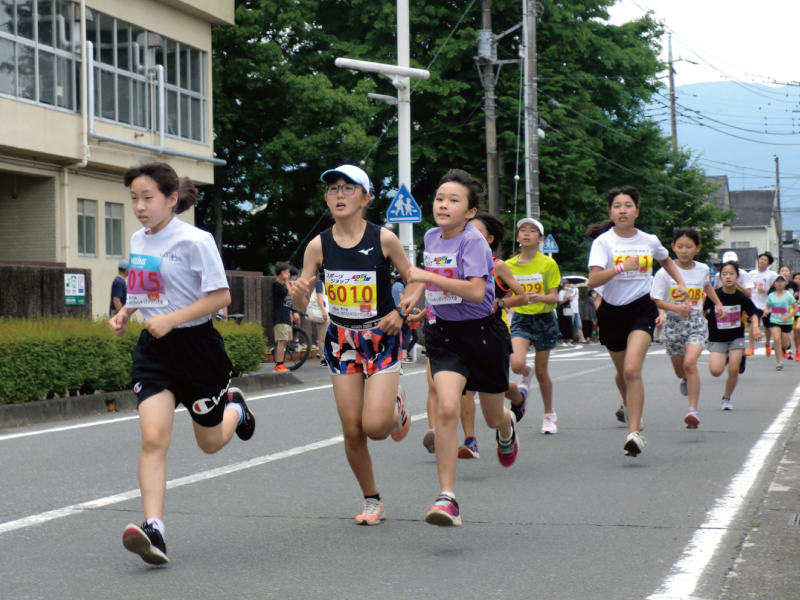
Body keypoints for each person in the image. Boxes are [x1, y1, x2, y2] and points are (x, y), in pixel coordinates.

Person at [109, 162, 255, 565]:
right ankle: (154, 528)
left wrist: (173, 319)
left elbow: (221, 297)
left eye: (147, 197)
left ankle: (236, 409)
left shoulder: (196, 240)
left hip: (197, 349)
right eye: (134, 198)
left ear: (172, 200)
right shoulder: (139, 239)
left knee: (209, 444)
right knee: (153, 437)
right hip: (155, 353)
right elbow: (145, 290)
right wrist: (126, 314)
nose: (139, 206)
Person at [290, 164, 416, 526]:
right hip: (341, 339)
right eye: (332, 189)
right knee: (352, 429)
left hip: (381, 337)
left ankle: (395, 405)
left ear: (366, 198)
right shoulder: (318, 245)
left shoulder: (383, 239)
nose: (339, 194)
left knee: (376, 427)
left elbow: (415, 279)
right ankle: (372, 500)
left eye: (348, 188)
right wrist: (299, 296)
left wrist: (403, 313)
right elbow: (302, 304)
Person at [403, 169, 517, 527]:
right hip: (445, 335)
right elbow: (431, 281)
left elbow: (474, 291)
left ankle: (506, 427)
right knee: (448, 407)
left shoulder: (473, 241)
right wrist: (415, 301)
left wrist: (426, 278)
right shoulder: (432, 237)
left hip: (483, 335)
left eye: (454, 200)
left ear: (469, 212)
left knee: (492, 415)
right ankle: (447, 497)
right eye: (439, 198)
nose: (443, 205)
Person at [587, 185, 688, 457]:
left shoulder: (648, 240)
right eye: (617, 205)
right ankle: (628, 404)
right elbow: (593, 280)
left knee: (632, 370)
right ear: (611, 211)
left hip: (642, 308)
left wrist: (679, 282)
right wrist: (621, 267)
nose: (623, 210)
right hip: (611, 311)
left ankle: (634, 434)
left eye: (628, 205)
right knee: (622, 374)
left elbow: (666, 260)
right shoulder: (604, 243)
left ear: (637, 211)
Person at [651, 227, 725, 429]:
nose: (684, 251)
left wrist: (717, 303)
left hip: (695, 323)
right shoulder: (664, 273)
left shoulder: (702, 269)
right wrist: (674, 307)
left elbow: (707, 285)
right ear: (673, 247)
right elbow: (655, 300)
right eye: (680, 246)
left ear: (697, 248)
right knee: (680, 370)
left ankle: (693, 410)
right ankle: (684, 378)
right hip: (673, 324)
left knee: (691, 363)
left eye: (689, 247)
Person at [505, 217, 563, 434]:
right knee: (516, 364)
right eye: (522, 230)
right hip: (521, 319)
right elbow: (507, 297)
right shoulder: (508, 266)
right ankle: (525, 372)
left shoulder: (548, 263)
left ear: (540, 239)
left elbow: (554, 298)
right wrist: (511, 303)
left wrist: (540, 297)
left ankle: (549, 415)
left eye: (532, 230)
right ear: (518, 237)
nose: (526, 233)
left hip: (544, 320)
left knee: (542, 371)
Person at [705, 261, 761, 410]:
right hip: (717, 338)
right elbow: (702, 311)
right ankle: (729, 357)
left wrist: (755, 327)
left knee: (733, 369)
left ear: (737, 277)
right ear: (720, 277)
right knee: (716, 371)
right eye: (724, 274)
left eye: (731, 274)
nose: (728, 277)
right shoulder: (714, 295)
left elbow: (753, 313)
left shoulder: (741, 297)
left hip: (736, 337)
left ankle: (726, 398)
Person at [747, 251, 777, 357]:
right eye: (761, 259)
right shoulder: (751, 274)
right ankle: (751, 348)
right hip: (754, 303)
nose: (762, 261)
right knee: (753, 325)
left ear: (769, 264)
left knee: (767, 327)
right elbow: (748, 287)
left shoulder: (772, 275)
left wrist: (765, 291)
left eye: (765, 260)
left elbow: (777, 288)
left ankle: (767, 343)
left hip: (767, 305)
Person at [764, 274, 797, 369]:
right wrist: (766, 310)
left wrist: (788, 316)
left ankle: (787, 344)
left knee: (785, 344)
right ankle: (779, 362)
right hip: (774, 321)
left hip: (786, 322)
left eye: (781, 281)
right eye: (777, 281)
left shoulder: (789, 296)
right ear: (774, 284)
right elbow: (767, 306)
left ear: (785, 283)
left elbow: (795, 309)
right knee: (776, 340)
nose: (779, 283)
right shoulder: (771, 295)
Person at [272, 263, 293, 373]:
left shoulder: (281, 284)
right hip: (280, 317)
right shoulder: (277, 284)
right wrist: (286, 281)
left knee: (285, 340)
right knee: (283, 340)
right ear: (283, 273)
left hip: (285, 316)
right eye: (288, 272)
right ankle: (278, 365)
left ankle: (281, 364)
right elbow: (289, 293)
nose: (289, 274)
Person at [314, 267, 330, 367]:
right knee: (323, 336)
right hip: (323, 312)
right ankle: (323, 358)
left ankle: (327, 357)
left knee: (329, 336)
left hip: (329, 312)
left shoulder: (327, 284)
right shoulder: (320, 283)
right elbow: (319, 297)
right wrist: (323, 311)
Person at [557, 281, 575, 346]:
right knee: (563, 324)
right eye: (566, 284)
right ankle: (562, 340)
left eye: (568, 284)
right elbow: (560, 302)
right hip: (563, 309)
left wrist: (571, 298)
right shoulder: (561, 292)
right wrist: (567, 299)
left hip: (568, 309)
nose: (567, 285)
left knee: (568, 324)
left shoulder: (569, 292)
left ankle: (568, 339)